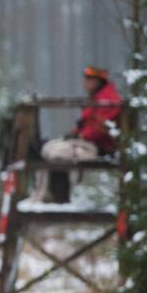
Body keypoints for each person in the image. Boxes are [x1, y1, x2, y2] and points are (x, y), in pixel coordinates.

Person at [31, 66, 123, 203]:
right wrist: (74, 134)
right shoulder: (98, 98)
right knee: (46, 147)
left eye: (89, 80)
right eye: (86, 80)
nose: (85, 83)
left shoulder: (107, 100)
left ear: (99, 81)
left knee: (57, 154)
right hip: (88, 142)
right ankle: (44, 195)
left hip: (100, 147)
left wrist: (81, 136)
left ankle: (57, 199)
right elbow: (86, 124)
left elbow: (100, 129)